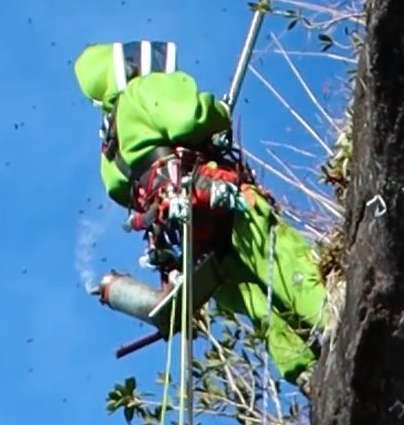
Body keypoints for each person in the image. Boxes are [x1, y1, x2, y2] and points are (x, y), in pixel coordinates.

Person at [75, 39, 326, 385]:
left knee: (252, 299)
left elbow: (126, 195)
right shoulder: (142, 91)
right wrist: (217, 113)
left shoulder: (109, 153)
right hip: (213, 196)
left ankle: (304, 370)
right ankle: (328, 313)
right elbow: (191, 116)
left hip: (185, 238)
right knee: (276, 255)